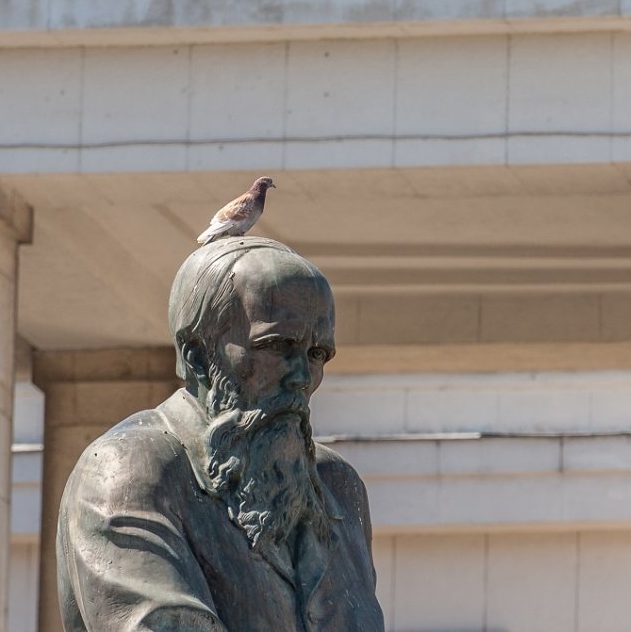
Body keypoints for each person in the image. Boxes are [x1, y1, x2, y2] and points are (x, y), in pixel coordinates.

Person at [56, 237, 385, 632]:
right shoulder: (129, 472)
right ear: (197, 354)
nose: (301, 377)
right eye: (277, 346)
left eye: (316, 354)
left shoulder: (339, 488)